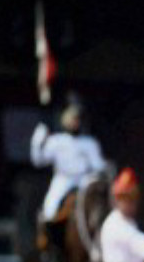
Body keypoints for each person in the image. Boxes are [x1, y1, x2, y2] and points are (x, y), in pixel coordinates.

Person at [31, 100, 106, 247]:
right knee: (49, 207)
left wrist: (103, 168)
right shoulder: (56, 141)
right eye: (71, 119)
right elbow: (38, 161)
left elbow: (98, 165)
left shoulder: (89, 142)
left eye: (76, 119)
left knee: (98, 202)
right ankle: (46, 240)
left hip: (84, 179)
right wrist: (36, 143)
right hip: (63, 179)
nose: (74, 122)